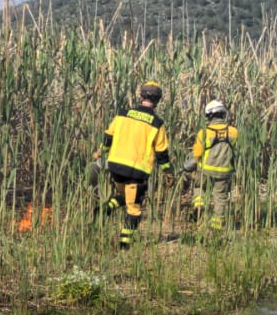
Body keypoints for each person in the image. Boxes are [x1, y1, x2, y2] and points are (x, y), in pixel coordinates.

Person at [95, 80, 173, 249]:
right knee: (134, 209)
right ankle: (125, 245)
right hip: (136, 171)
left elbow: (108, 136)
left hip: (115, 166)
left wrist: (100, 152)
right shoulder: (156, 123)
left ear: (141, 95)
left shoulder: (123, 114)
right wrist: (169, 174)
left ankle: (104, 210)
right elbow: (162, 154)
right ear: (158, 100)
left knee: (124, 197)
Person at [184, 99, 239, 232]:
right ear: (223, 114)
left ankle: (199, 206)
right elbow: (236, 150)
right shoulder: (234, 132)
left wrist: (189, 166)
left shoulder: (204, 133)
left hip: (205, 170)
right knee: (220, 198)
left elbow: (197, 154)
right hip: (224, 171)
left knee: (199, 188)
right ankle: (216, 227)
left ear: (209, 115)